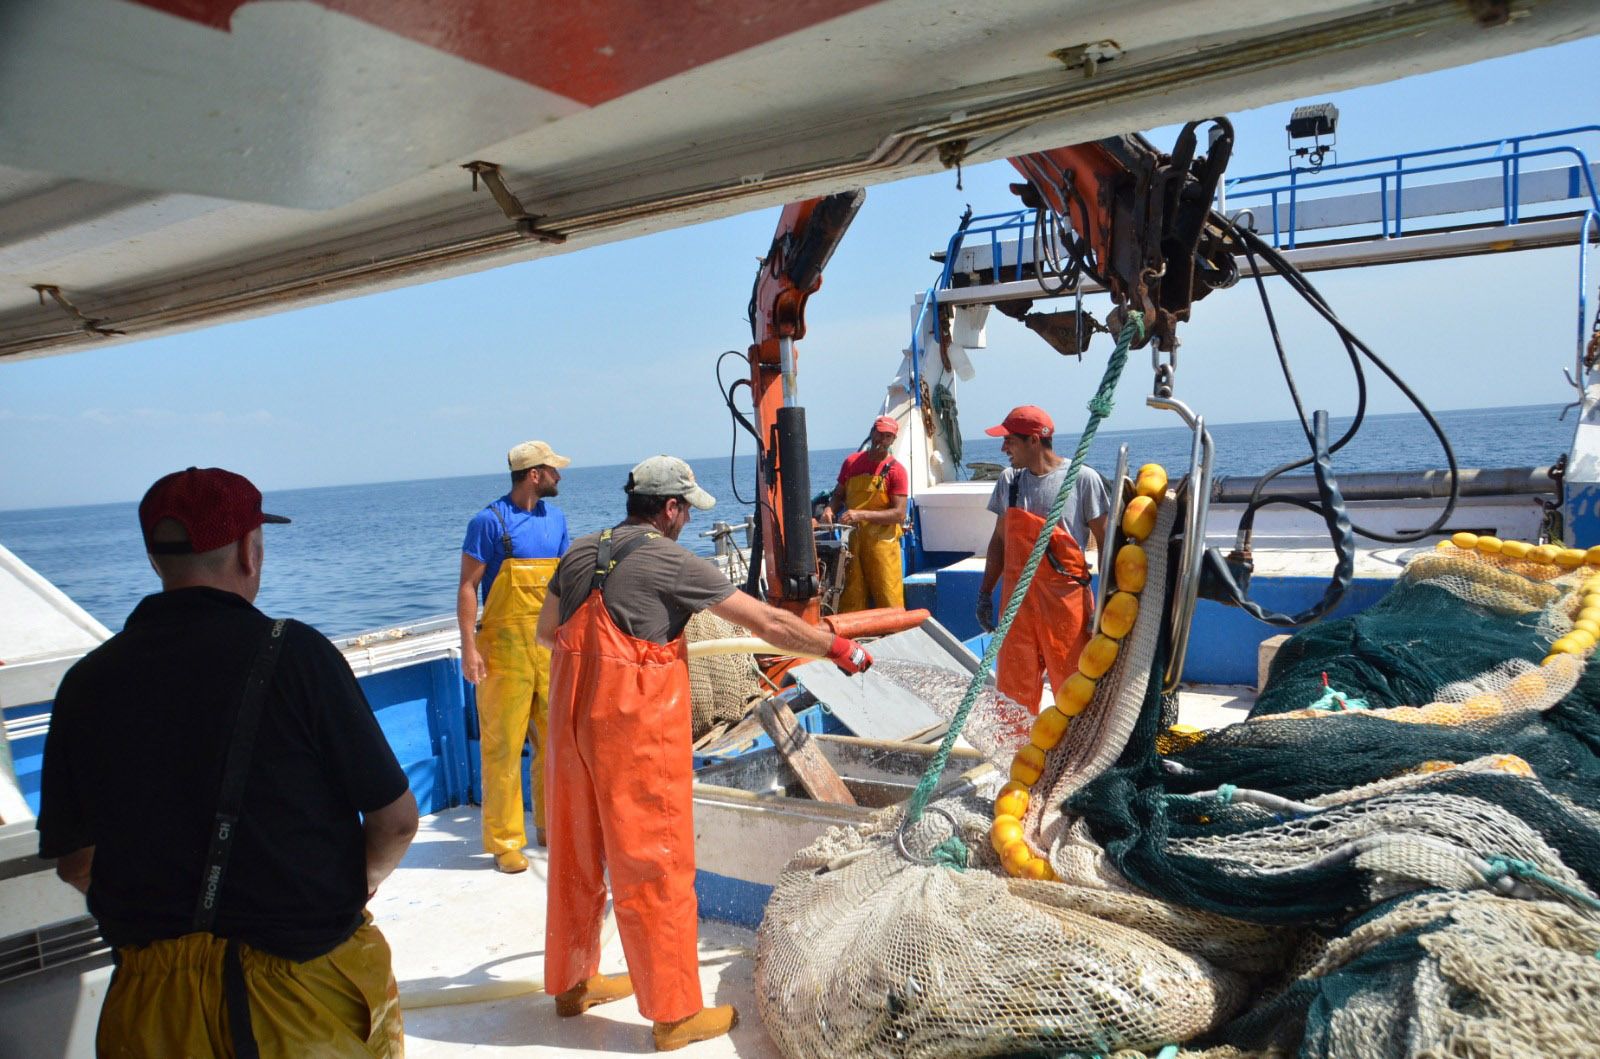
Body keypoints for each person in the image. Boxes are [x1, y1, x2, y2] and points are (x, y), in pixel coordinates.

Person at [36, 466, 417, 1057]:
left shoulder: (86, 682)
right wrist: (356, 885)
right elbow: (395, 821)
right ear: (249, 550)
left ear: (155, 558)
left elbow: (75, 862)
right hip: (297, 996)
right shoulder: (297, 657)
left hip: (149, 1009)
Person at [535, 455, 873, 1052]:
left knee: (575, 849)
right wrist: (834, 646)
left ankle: (573, 984)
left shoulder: (580, 550)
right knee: (655, 863)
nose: (688, 520)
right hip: (631, 729)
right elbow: (767, 621)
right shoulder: (669, 559)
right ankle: (673, 1015)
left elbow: (546, 633)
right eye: (686, 509)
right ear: (669, 509)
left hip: (568, 724)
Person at [458, 440, 571, 873]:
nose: (559, 476)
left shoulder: (556, 519)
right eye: (552, 469)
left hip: (547, 646)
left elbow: (563, 585)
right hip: (502, 650)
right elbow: (469, 586)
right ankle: (505, 841)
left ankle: (548, 825)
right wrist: (469, 647)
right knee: (503, 747)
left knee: (554, 743)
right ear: (534, 475)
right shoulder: (488, 522)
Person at [975, 405, 1109, 713]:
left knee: (1075, 690)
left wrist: (1103, 603)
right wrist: (985, 593)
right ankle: (1019, 756)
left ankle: (1076, 757)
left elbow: (1107, 542)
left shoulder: (1082, 479)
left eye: (1010, 440)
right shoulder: (1009, 482)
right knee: (1012, 696)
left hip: (1065, 606)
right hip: (1017, 605)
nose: (1003, 447)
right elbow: (998, 541)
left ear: (1034, 440)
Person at [821, 414, 909, 612]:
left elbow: (899, 515)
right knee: (851, 596)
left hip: (883, 545)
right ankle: (852, 641)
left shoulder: (897, 471)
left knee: (889, 598)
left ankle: (893, 637)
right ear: (871, 433)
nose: (882, 440)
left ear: (893, 440)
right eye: (879, 434)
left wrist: (860, 515)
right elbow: (838, 494)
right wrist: (830, 509)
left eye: (887, 436)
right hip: (853, 542)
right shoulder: (851, 463)